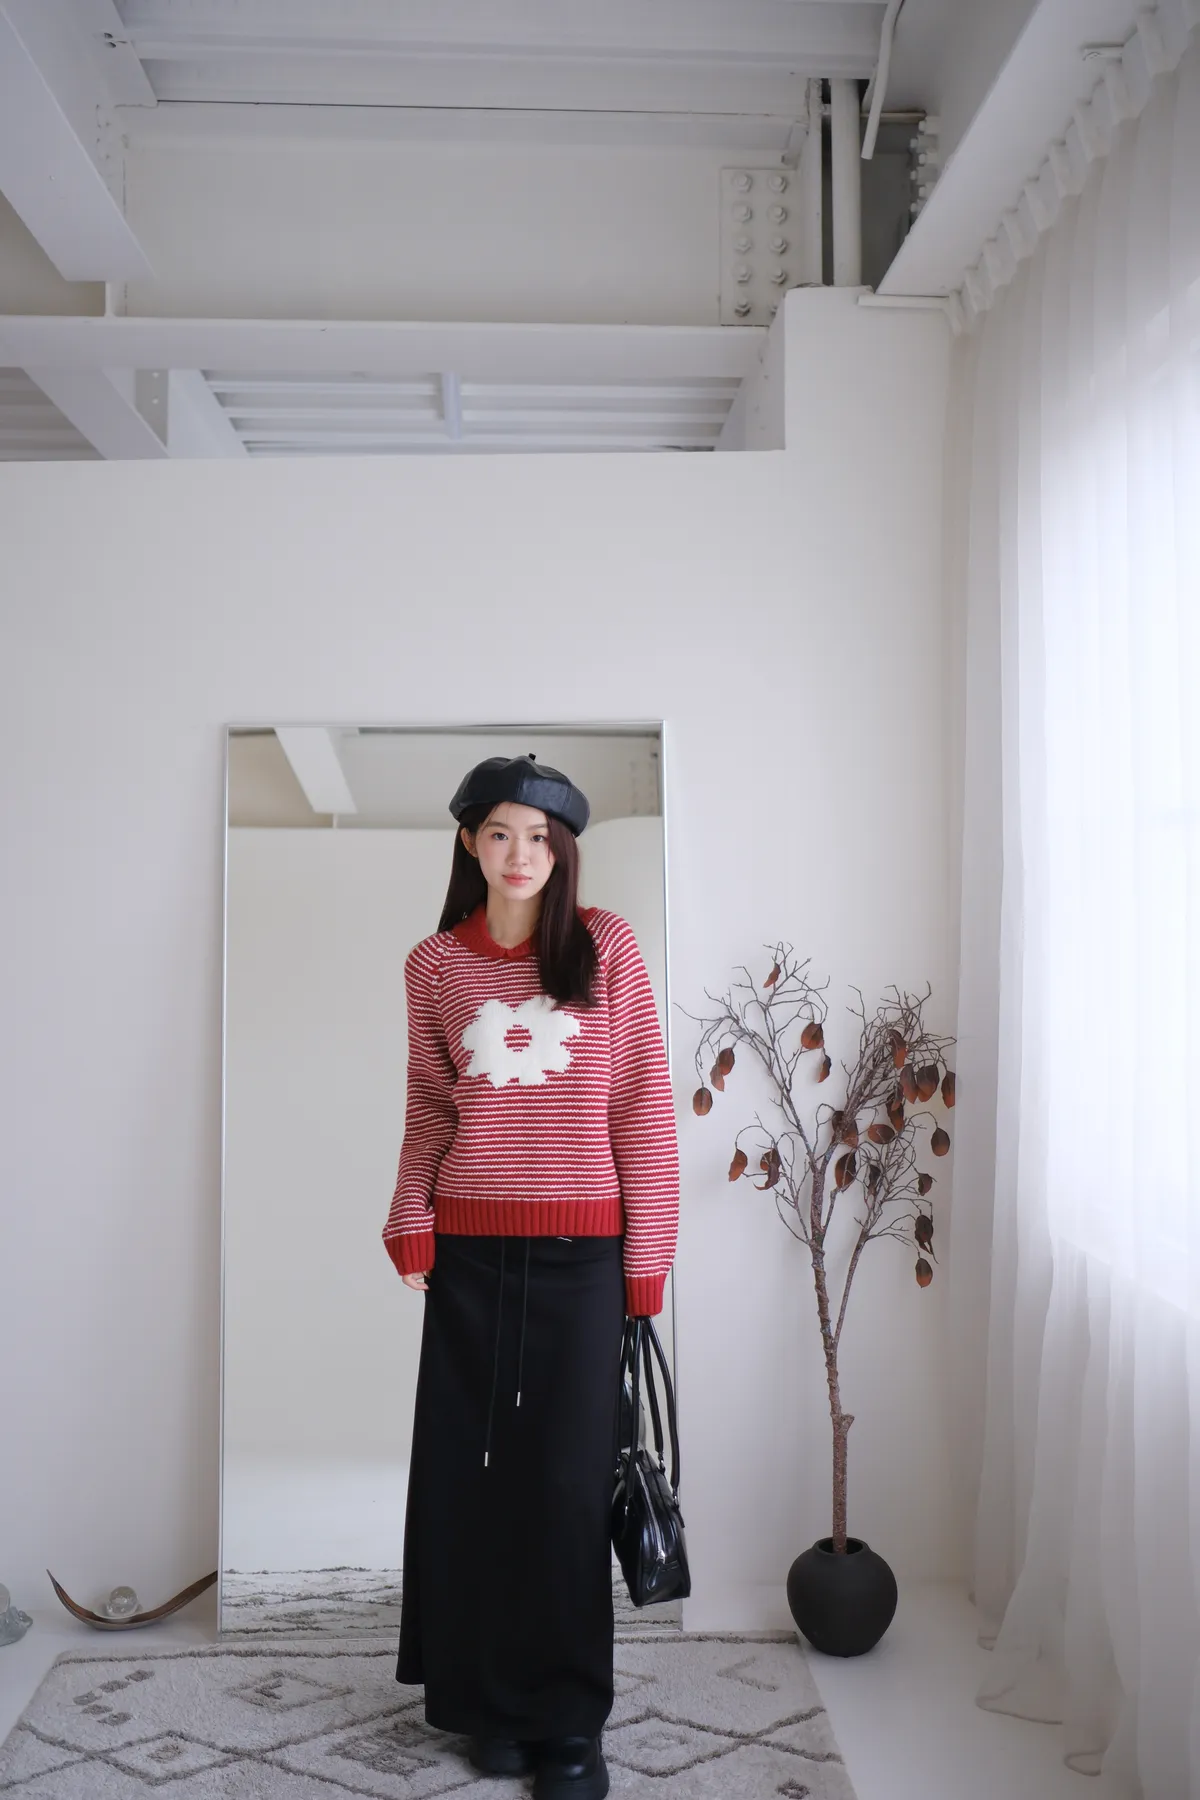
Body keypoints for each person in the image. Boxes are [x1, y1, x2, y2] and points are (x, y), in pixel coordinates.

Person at [381, 752, 680, 1800]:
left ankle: (567, 1724)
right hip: (468, 1259)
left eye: (540, 837)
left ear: (563, 850)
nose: (521, 854)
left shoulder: (608, 948)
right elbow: (430, 1108)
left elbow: (642, 1108)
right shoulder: (435, 966)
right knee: (470, 1488)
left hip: (582, 1261)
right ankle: (485, 1703)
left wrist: (646, 1263)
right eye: (501, 833)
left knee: (561, 1493)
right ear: (470, 841)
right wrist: (408, 1220)